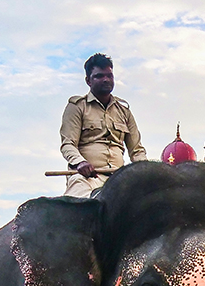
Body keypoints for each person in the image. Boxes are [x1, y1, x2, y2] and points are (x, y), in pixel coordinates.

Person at [60, 53, 147, 198]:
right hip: (86, 178)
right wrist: (80, 162)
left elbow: (137, 150)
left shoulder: (124, 111)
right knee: (78, 206)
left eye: (109, 76)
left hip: (120, 179)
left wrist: (147, 171)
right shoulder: (77, 107)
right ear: (88, 80)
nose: (106, 79)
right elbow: (68, 144)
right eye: (99, 76)